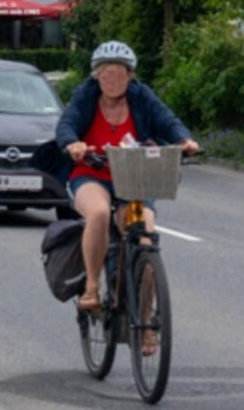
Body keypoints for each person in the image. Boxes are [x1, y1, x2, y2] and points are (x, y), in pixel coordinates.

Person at [54, 41, 199, 314]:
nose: (113, 79)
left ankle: (145, 321)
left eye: (120, 73)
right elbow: (67, 123)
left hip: (133, 174)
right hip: (91, 172)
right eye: (106, 73)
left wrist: (184, 140)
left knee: (145, 238)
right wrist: (73, 143)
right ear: (97, 76)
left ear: (130, 76)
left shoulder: (141, 96)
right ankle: (92, 288)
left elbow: (166, 120)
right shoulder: (85, 96)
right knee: (97, 213)